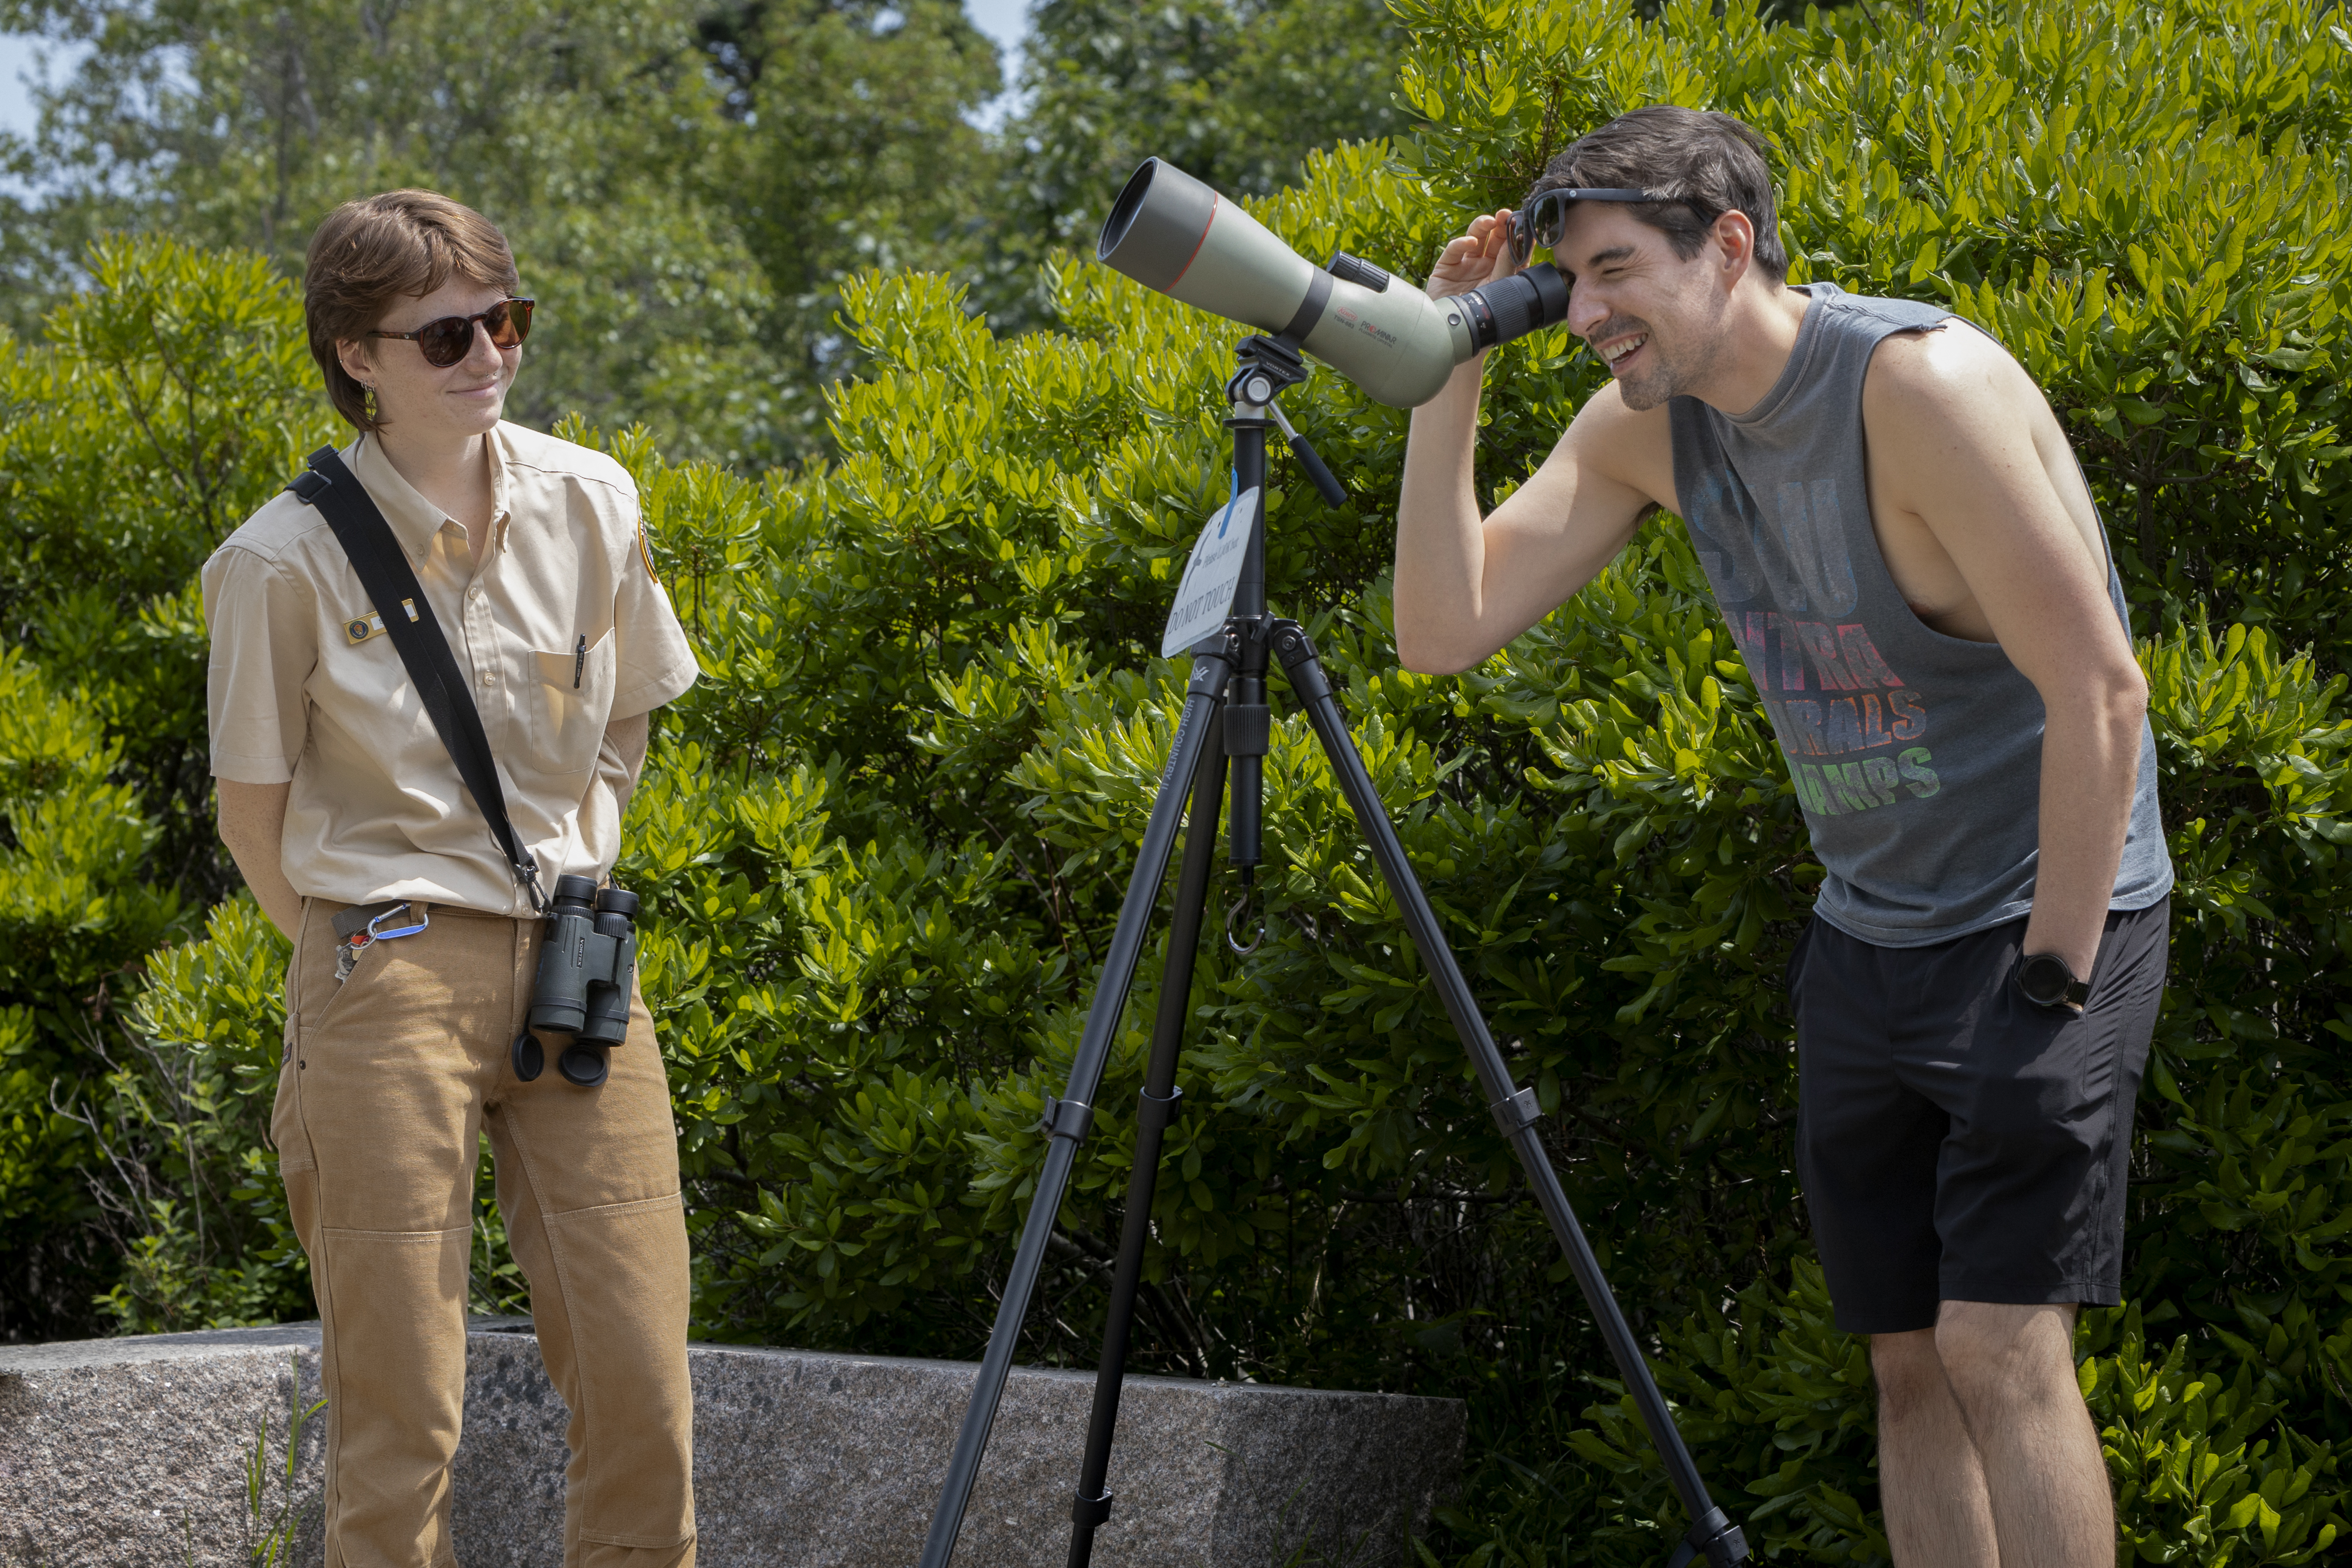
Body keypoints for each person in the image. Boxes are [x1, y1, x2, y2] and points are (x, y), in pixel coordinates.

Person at [1394, 107, 2171, 1566]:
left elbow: (2101, 692)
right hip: (1868, 933)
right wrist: (1450, 369)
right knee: (1902, 1360)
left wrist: (2052, 981)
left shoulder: (1910, 388)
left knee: (1998, 1344)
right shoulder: (1645, 428)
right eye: (1570, 281)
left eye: (1616, 269)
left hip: (2045, 915)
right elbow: (1440, 631)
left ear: (1727, 243)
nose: (1590, 312)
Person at [203, 190, 701, 1568]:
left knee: (644, 1385)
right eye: (445, 337)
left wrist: (577, 853)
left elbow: (627, 718)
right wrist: (367, 956)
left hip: (577, 967)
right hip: (384, 966)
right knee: (400, 1413)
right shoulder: (275, 560)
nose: (487, 354)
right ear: (357, 357)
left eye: (505, 321)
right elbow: (255, 816)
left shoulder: (591, 498)